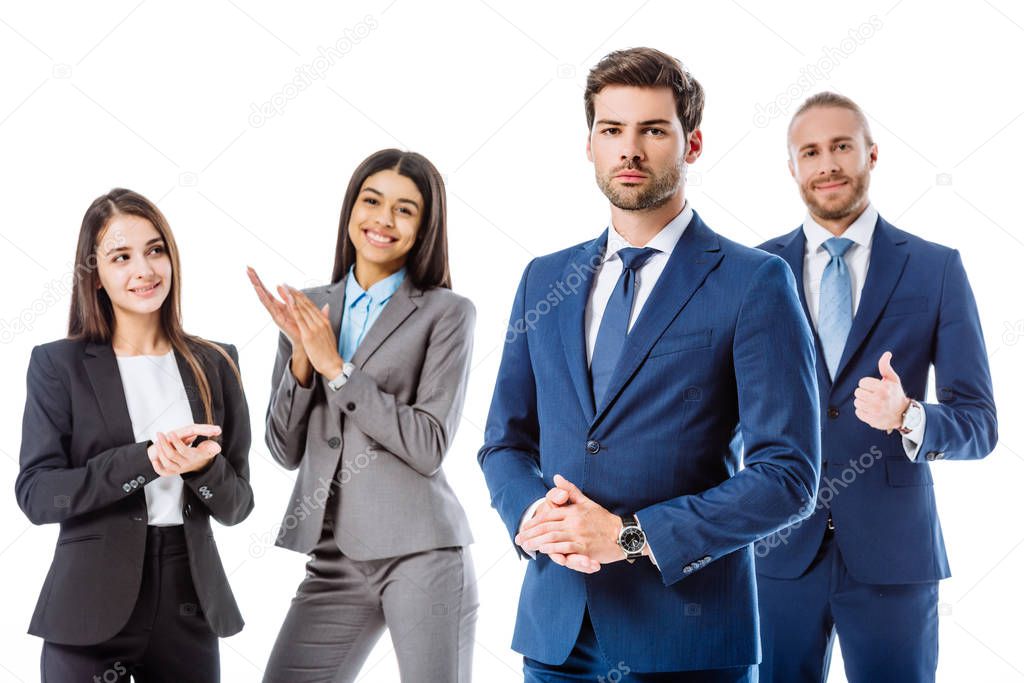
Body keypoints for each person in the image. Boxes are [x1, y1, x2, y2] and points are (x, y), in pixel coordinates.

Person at [478, 47, 821, 681]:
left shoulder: (755, 282)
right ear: (589, 144)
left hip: (687, 640)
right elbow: (504, 440)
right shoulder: (543, 279)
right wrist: (534, 518)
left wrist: (632, 537)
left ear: (692, 143)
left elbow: (789, 476)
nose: (628, 150)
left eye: (652, 130)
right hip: (556, 635)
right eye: (612, 130)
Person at [754, 92, 999, 683]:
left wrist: (909, 415)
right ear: (792, 168)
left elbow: (980, 424)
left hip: (896, 557)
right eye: (810, 151)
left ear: (871, 153)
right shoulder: (756, 270)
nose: (827, 163)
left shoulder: (936, 268)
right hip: (775, 552)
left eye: (842, 146)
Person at [253, 148, 478, 682]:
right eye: (371, 200)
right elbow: (284, 450)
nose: (382, 219)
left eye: (405, 209)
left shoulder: (447, 313)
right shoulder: (308, 308)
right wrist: (304, 362)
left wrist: (337, 368)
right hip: (332, 556)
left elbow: (428, 445)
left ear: (425, 227)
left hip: (421, 552)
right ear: (351, 209)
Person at [16, 188, 253, 682]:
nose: (144, 270)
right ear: (95, 274)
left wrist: (203, 468)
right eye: (121, 257)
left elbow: (237, 506)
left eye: (155, 250)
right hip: (88, 607)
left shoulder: (216, 361)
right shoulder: (58, 365)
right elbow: (38, 496)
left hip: (189, 602)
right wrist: (146, 461)